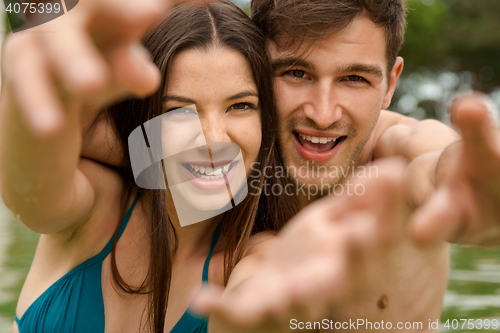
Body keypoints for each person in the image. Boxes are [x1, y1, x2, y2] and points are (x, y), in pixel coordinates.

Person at [0, 1, 302, 332]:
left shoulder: (260, 258)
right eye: (180, 110)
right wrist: (32, 66)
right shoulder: (94, 208)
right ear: (146, 119)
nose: (214, 140)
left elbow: (261, 301)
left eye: (240, 106)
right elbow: (28, 189)